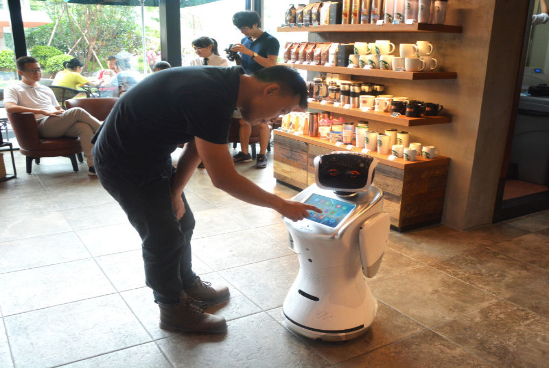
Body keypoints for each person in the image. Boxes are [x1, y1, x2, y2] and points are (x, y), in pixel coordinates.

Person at [91, 65, 321, 334]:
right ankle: (172, 309)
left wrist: (175, 192)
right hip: (123, 161)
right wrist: (281, 204)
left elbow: (195, 146)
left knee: (183, 222)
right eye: (281, 111)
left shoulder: (224, 86)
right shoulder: (210, 94)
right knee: (163, 236)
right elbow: (224, 178)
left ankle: (187, 284)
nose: (272, 121)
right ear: (270, 90)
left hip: (151, 157)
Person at [4, 56, 102, 176]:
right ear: (20, 72)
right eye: (32, 70)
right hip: (39, 125)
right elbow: (9, 107)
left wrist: (63, 114)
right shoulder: (13, 89)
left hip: (55, 123)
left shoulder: (45, 89)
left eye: (38, 69)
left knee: (83, 126)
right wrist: (42, 112)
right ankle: (108, 132)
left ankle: (93, 166)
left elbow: (57, 108)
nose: (37, 73)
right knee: (77, 111)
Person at [230, 11, 280, 169]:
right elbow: (246, 64)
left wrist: (250, 53)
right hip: (247, 85)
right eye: (239, 28)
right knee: (243, 121)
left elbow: (272, 64)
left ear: (255, 24)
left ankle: (262, 155)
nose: (242, 32)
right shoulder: (245, 40)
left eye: (244, 28)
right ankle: (244, 154)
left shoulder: (271, 41)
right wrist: (237, 57)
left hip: (265, 86)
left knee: (262, 122)